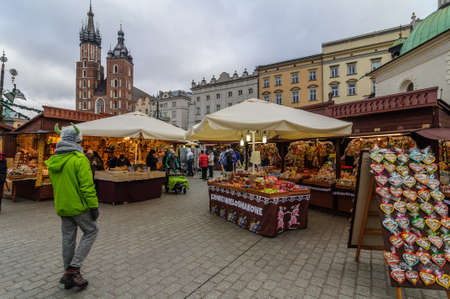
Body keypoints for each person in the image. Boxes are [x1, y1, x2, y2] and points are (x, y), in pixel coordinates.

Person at [45, 123, 98, 290]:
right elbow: (87, 187)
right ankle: (73, 269)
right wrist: (94, 206)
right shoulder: (79, 159)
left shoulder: (53, 160)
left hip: (62, 206)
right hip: (79, 207)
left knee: (68, 239)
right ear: (76, 141)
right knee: (92, 231)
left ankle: (69, 275)